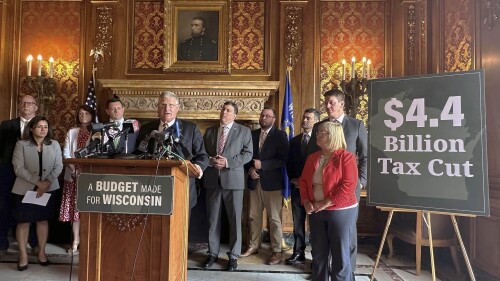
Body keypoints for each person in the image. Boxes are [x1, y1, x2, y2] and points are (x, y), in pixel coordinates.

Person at [306, 89, 368, 277]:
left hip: (346, 192)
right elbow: (311, 157)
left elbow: (365, 156)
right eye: (326, 102)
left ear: (342, 104)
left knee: (346, 238)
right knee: (321, 241)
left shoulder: (356, 125)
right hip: (320, 194)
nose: (328, 106)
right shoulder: (319, 126)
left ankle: (346, 272)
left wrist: (360, 182)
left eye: (332, 102)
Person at [300, 121, 358, 281]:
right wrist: (306, 201)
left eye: (321, 132)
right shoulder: (313, 157)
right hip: (315, 210)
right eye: (318, 132)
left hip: (340, 211)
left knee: (340, 254)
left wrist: (324, 203)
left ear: (332, 136)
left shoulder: (346, 157)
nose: (317, 134)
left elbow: (348, 186)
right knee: (318, 253)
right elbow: (304, 181)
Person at [202, 101, 253, 271]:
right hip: (212, 180)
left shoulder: (244, 131)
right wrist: (211, 161)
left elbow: (248, 154)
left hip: (234, 181)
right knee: (212, 219)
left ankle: (233, 256)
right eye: (223, 109)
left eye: (228, 110)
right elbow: (202, 154)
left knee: (234, 219)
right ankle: (212, 254)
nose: (224, 112)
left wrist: (228, 162)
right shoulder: (209, 131)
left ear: (235, 115)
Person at [136, 91, 209, 210]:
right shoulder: (146, 128)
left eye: (171, 105)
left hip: (182, 187)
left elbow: (202, 156)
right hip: (152, 189)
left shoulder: (190, 129)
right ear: (157, 107)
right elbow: (138, 154)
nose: (167, 109)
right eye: (163, 105)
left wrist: (197, 168)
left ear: (177, 108)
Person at [11, 115, 63, 271]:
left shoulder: (54, 144)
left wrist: (45, 183)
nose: (43, 129)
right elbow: (18, 168)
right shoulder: (21, 144)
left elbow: (58, 166)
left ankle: (41, 252)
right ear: (32, 128)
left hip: (48, 189)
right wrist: (37, 182)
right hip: (24, 189)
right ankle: (23, 256)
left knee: (42, 220)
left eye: (46, 127)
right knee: (24, 222)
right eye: (39, 126)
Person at [241, 107, 289, 265]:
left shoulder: (280, 135)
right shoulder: (252, 134)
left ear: (274, 119)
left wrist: (264, 165)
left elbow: (283, 159)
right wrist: (250, 169)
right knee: (253, 216)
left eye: (268, 116)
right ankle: (253, 245)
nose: (264, 118)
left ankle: (276, 251)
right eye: (262, 115)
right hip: (254, 182)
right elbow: (246, 156)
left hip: (273, 184)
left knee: (274, 219)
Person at [0, 95, 39, 255]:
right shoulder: (7, 125)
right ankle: (2, 243)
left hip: (32, 174)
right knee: (4, 207)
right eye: (23, 103)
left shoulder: (41, 125)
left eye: (29, 104)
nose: (26, 106)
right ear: (19, 106)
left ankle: (34, 242)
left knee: (32, 208)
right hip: (8, 173)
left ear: (36, 107)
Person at [58, 105, 96, 254]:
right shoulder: (72, 132)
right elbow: (66, 153)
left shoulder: (96, 132)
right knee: (75, 211)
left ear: (92, 115)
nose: (83, 115)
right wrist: (74, 170)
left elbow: (95, 154)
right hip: (73, 176)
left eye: (86, 113)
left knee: (88, 209)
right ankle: (75, 241)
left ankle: (89, 240)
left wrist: (83, 171)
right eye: (80, 113)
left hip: (89, 177)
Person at [285, 108, 320, 265]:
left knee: (315, 226)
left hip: (315, 190)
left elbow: (321, 166)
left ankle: (317, 256)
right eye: (304, 118)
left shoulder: (320, 141)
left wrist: (307, 182)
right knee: (298, 223)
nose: (305, 120)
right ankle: (298, 252)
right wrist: (294, 179)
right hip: (297, 188)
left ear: (316, 121)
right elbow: (289, 163)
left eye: (309, 118)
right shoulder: (294, 141)